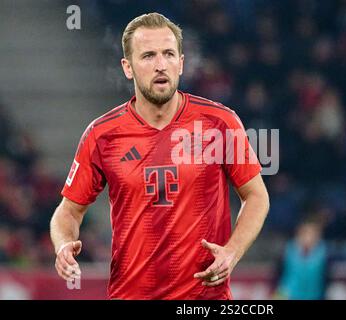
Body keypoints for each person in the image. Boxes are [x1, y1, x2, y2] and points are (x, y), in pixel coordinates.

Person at [49, 12, 269, 300]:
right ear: (128, 68)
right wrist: (64, 243)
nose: (160, 65)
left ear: (181, 63)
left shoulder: (219, 123)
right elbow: (68, 211)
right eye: (148, 56)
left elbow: (256, 196)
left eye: (168, 54)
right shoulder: (102, 135)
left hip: (204, 299)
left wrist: (233, 251)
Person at [274, 217, 327, 300]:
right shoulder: (288, 250)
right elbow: (278, 273)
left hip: (314, 295)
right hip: (288, 295)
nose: (309, 237)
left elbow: (326, 276)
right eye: (306, 232)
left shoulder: (323, 252)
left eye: (313, 233)